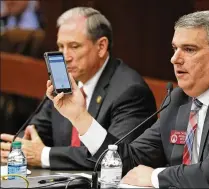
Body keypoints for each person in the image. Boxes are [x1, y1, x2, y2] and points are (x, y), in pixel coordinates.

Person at [45, 10, 209, 188]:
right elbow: (129, 159)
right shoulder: (179, 99)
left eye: (189, 49)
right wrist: (80, 116)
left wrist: (154, 176)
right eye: (175, 49)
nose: (175, 59)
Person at [0, 7, 157, 170]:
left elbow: (116, 156)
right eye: (61, 46)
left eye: (74, 46)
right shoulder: (64, 85)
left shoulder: (130, 92)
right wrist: (21, 147)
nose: (65, 56)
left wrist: (44, 155)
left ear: (101, 46)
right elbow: (33, 133)